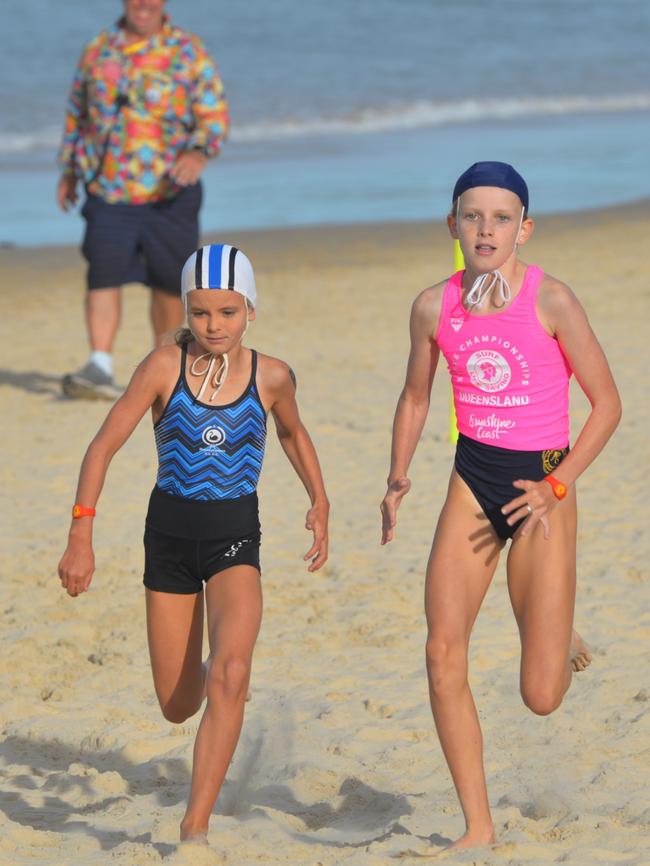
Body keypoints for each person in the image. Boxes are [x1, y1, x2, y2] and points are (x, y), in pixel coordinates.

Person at [380, 162, 621, 851]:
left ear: (525, 227)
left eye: (501, 217)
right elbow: (417, 397)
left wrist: (557, 487)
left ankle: (556, 626)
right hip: (473, 484)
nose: (486, 228)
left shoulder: (554, 301)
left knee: (541, 694)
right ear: (452, 224)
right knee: (441, 650)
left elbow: (608, 407)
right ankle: (477, 827)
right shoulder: (433, 306)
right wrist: (397, 476)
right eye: (472, 215)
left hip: (543, 491)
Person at [57, 243, 330, 843]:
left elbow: (293, 433)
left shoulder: (271, 374)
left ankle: (195, 827)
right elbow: (102, 446)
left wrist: (319, 500)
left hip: (236, 539)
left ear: (250, 311)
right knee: (178, 703)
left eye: (228, 313)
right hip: (170, 543)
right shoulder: (162, 367)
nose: (215, 326)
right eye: (202, 313)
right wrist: (82, 533)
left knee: (232, 675)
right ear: (186, 309)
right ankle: (215, 672)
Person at [57, 0, 229, 400]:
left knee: (169, 283)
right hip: (108, 186)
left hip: (169, 191)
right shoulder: (98, 49)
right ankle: (99, 365)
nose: (144, 4)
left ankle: (166, 364)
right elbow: (76, 114)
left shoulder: (188, 50)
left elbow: (214, 115)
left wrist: (198, 153)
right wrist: (69, 171)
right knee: (102, 274)